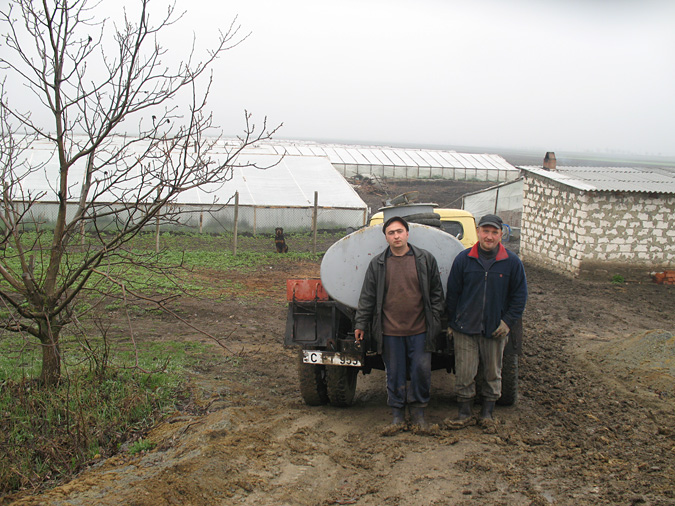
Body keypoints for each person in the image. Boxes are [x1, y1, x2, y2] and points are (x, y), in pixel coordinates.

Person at [354, 216, 444, 430]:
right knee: (394, 373)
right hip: (390, 331)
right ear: (386, 237)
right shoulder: (377, 263)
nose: (396, 236)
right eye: (391, 233)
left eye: (399, 231)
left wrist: (436, 319)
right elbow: (367, 297)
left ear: (407, 234)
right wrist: (361, 324)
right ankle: (397, 416)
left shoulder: (425, 259)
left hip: (420, 330)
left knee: (421, 372)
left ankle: (419, 415)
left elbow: (436, 294)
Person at [445, 214, 527, 424]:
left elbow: (519, 297)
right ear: (478, 232)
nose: (489, 237)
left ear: (501, 235)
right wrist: (452, 322)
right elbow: (453, 293)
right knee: (465, 373)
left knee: (492, 373)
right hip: (465, 329)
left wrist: (507, 322)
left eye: (494, 232)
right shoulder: (464, 259)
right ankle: (464, 414)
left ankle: (487, 414)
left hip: (494, 329)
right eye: (485, 231)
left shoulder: (512, 262)